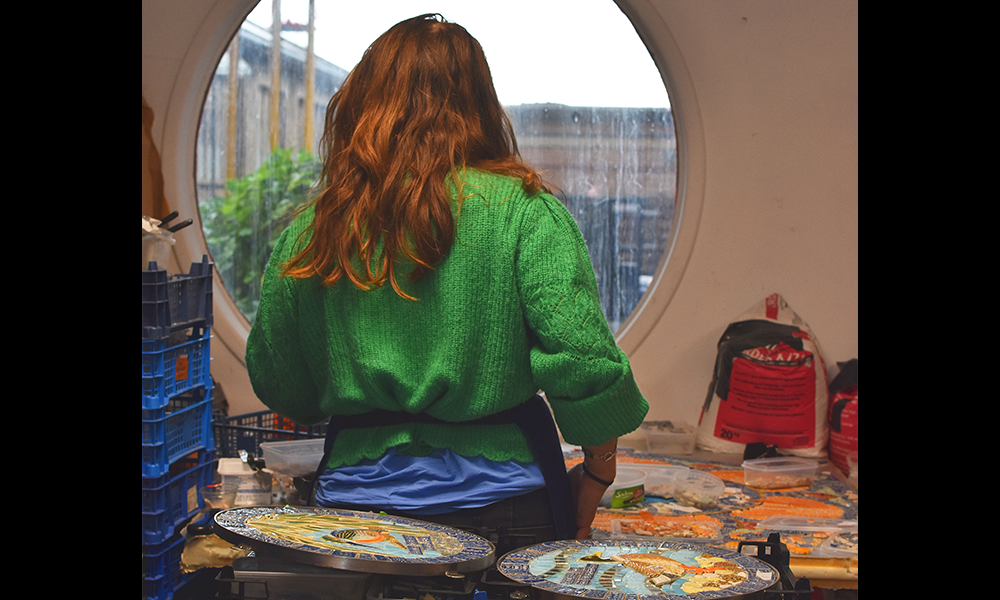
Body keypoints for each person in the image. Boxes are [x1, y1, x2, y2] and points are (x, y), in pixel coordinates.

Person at [245, 14, 648, 556]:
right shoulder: (527, 213)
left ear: (363, 100)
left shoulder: (315, 229)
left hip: (354, 510)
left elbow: (283, 387)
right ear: (483, 103)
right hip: (508, 507)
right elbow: (582, 359)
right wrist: (598, 473)